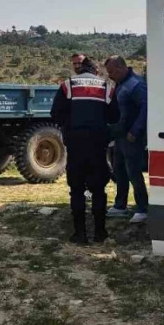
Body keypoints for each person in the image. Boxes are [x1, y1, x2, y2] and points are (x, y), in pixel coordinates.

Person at [51, 57, 118, 244]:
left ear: (80, 69)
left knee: (77, 189)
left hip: (75, 144)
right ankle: (100, 232)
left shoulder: (68, 85)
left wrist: (70, 125)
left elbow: (55, 114)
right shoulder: (106, 86)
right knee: (98, 190)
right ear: (96, 70)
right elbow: (115, 115)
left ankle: (79, 233)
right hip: (98, 144)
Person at [104, 55, 148, 224]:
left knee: (133, 172)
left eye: (111, 72)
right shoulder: (120, 83)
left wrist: (135, 131)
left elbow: (145, 108)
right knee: (119, 170)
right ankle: (120, 205)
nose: (109, 75)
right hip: (120, 136)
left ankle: (143, 208)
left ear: (121, 68)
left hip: (132, 137)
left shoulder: (136, 85)